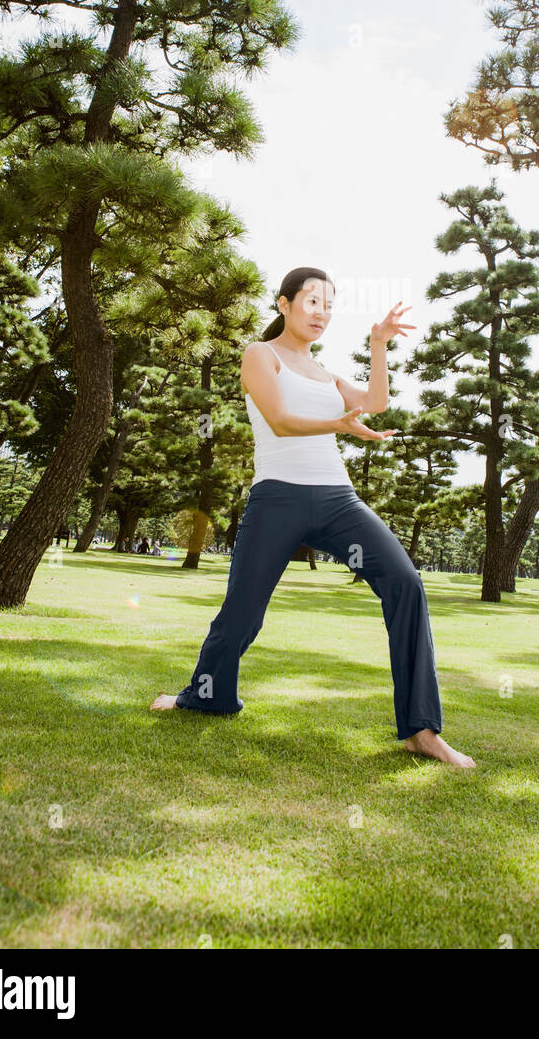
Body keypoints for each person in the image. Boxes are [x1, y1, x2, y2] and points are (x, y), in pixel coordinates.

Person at [151, 267, 476, 769]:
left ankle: (421, 731)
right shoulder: (261, 355)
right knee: (242, 612)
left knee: (406, 583)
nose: (321, 312)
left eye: (329, 303)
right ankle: (205, 695)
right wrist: (339, 425)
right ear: (284, 304)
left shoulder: (326, 374)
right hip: (276, 498)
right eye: (311, 301)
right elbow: (279, 421)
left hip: (337, 501)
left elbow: (376, 403)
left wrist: (377, 345)